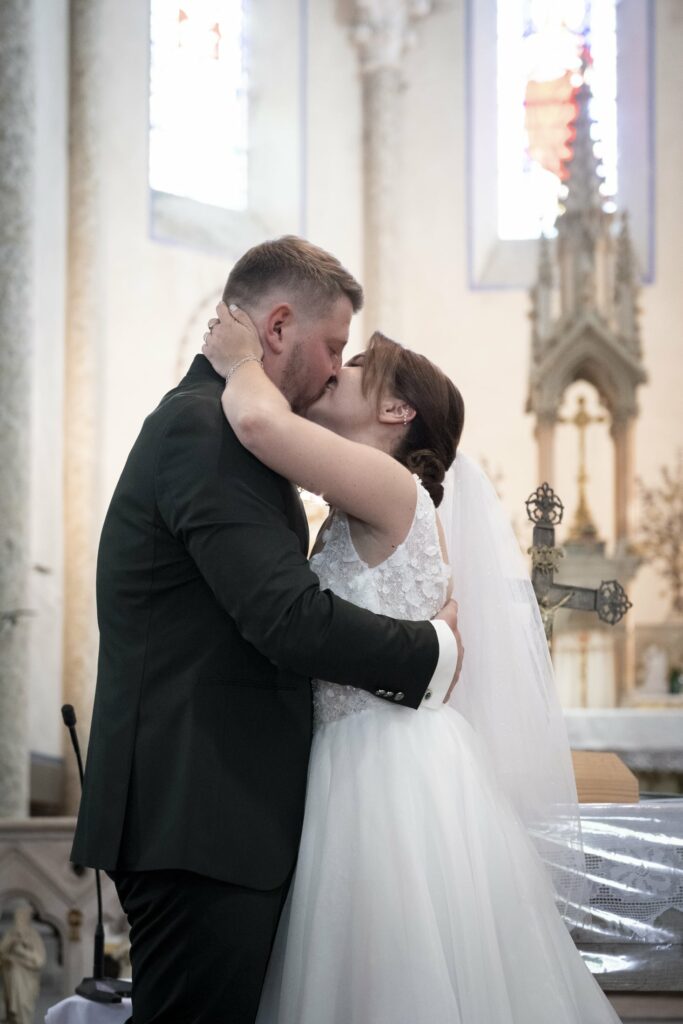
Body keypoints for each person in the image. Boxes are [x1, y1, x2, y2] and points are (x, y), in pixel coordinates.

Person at [70, 237, 462, 1023]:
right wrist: (432, 651)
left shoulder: (244, 443)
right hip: (201, 819)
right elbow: (286, 617)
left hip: (227, 818)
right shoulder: (206, 433)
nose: (331, 370)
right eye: (332, 348)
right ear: (277, 327)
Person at [202, 306, 622, 1023]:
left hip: (385, 775)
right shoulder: (357, 502)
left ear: (395, 410)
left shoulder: (388, 487)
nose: (338, 368)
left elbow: (260, 426)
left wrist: (239, 359)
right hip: (356, 759)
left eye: (357, 365)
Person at [0, 902, 46, 1024]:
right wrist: (11, 944)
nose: (19, 919)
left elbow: (39, 960)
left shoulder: (34, 935)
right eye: (18, 916)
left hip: (28, 978)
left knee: (24, 1004)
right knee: (12, 1005)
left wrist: (22, 952)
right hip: (10, 975)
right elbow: (1, 953)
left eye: (22, 916)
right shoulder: (10, 934)